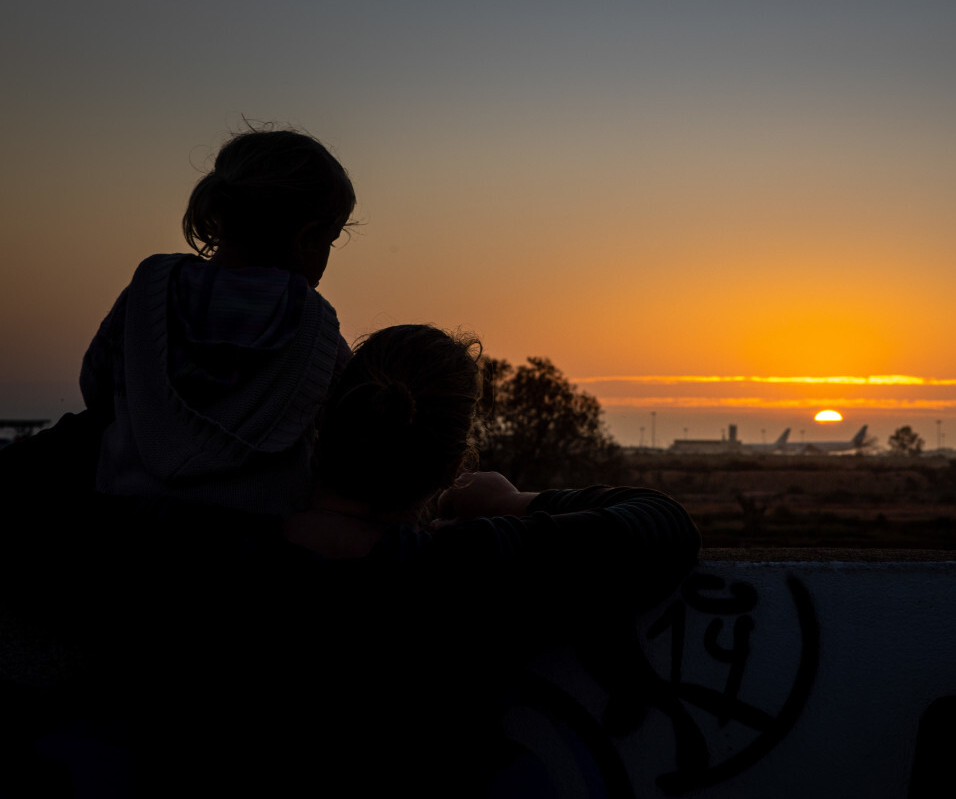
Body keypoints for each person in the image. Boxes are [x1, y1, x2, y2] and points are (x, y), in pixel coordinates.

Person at [2, 324, 700, 796]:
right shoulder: (467, 571)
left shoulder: (184, 545)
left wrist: (156, 418)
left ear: (321, 423)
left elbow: (26, 491)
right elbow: (662, 526)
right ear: (453, 461)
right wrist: (522, 502)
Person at [80, 126, 357, 514]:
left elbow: (95, 385)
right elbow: (348, 421)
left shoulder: (150, 291)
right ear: (307, 237)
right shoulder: (313, 324)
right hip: (258, 536)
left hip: (125, 514)